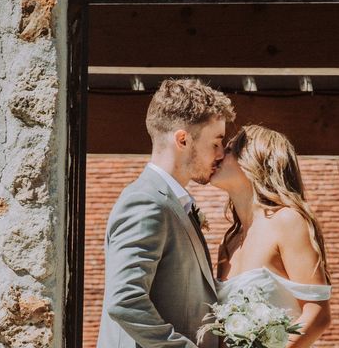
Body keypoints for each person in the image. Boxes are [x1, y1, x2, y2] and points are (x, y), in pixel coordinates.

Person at [97, 78, 236, 348]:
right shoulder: (145, 202)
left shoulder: (173, 202)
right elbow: (125, 300)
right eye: (216, 142)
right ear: (182, 139)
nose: (220, 154)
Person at [211, 125, 332, 348]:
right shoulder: (228, 242)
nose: (217, 155)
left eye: (228, 150)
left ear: (253, 159)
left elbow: (318, 314)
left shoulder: (287, 221)